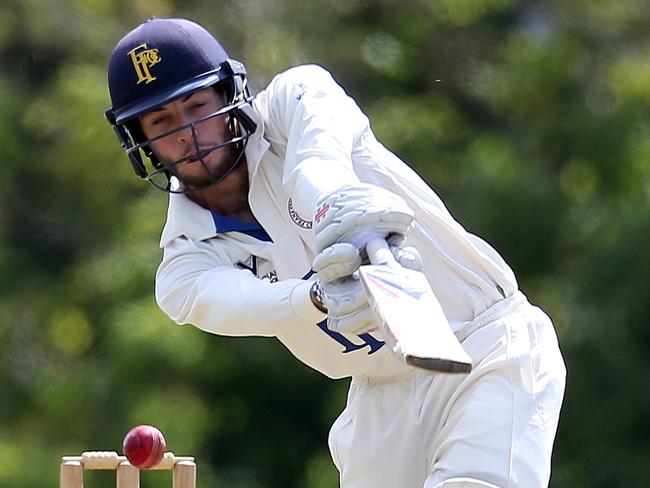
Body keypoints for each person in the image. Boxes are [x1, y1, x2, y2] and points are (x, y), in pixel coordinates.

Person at [105, 17, 566, 488]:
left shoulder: (294, 100)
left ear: (227, 97)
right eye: (163, 120)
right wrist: (318, 297)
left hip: (486, 345)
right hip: (381, 398)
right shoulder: (183, 266)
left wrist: (335, 205)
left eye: (197, 104)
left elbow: (317, 159)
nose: (188, 131)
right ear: (140, 140)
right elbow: (252, 306)